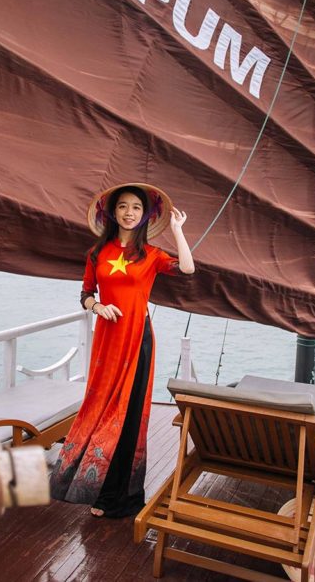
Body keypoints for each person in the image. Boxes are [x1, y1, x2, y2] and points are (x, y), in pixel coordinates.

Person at [49, 183, 195, 518]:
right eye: (123, 207)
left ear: (145, 216)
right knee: (100, 409)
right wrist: (98, 307)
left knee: (128, 418)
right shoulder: (97, 254)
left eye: (136, 208)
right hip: (107, 340)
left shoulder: (152, 255)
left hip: (137, 340)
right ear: (112, 213)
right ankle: (95, 487)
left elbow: (187, 268)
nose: (129, 213)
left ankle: (121, 497)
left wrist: (177, 231)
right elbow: (86, 294)